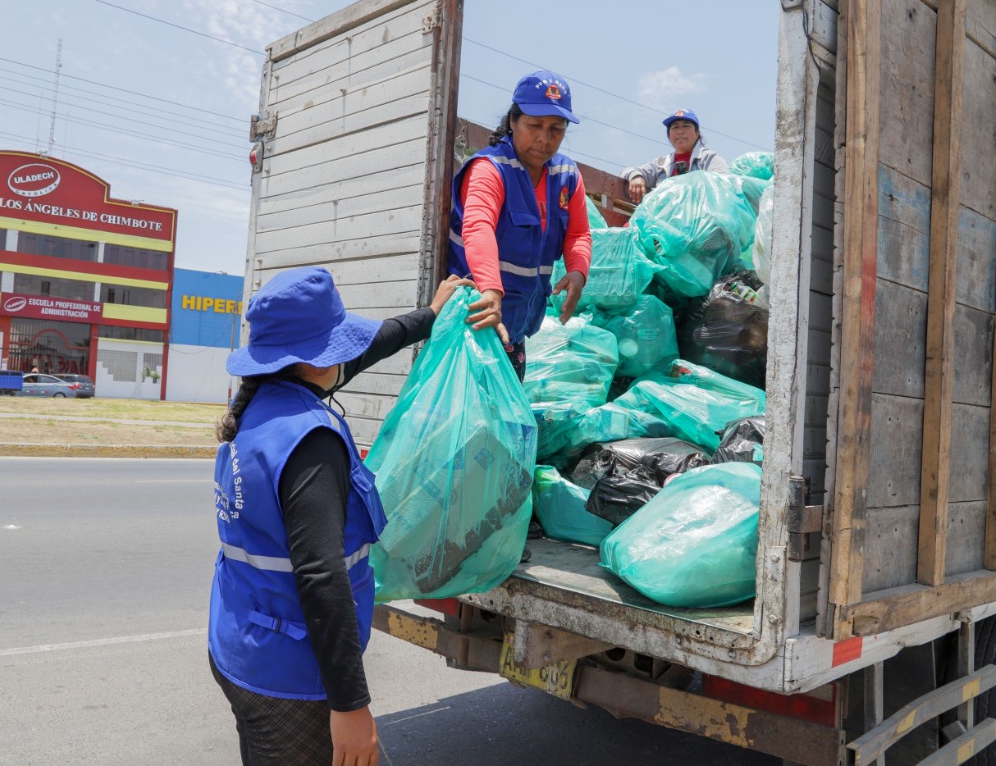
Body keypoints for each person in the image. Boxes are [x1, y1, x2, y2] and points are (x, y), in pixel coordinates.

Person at [209, 265, 470, 766]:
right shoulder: (311, 441)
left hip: (241, 645)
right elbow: (320, 577)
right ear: (316, 360)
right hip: (289, 677)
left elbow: (367, 348)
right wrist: (351, 706)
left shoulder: (263, 402)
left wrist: (430, 314)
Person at [448, 70, 594, 384]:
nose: (544, 138)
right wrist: (489, 290)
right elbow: (478, 227)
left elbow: (579, 233)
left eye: (556, 129)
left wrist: (578, 271)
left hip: (514, 334)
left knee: (503, 427)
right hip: (471, 325)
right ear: (512, 121)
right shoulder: (490, 170)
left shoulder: (567, 176)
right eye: (534, 125)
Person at [620, 108, 730, 203]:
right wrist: (636, 176)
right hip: (663, 221)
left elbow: (722, 185)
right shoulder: (662, 164)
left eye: (686, 126)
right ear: (669, 135)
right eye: (675, 127)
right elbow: (626, 171)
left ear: (697, 134)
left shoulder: (709, 158)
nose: (680, 131)